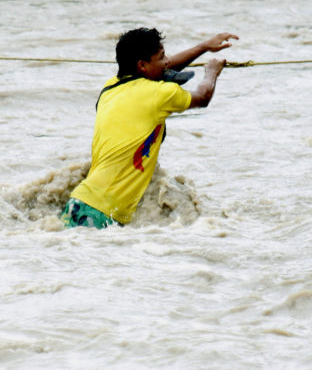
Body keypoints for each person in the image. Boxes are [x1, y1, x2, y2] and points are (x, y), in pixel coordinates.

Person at [60, 28, 238, 229]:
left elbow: (159, 70)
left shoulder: (110, 88)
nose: (167, 62)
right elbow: (203, 97)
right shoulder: (159, 94)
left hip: (78, 203)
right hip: (101, 213)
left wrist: (203, 47)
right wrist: (212, 71)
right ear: (142, 65)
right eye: (162, 57)